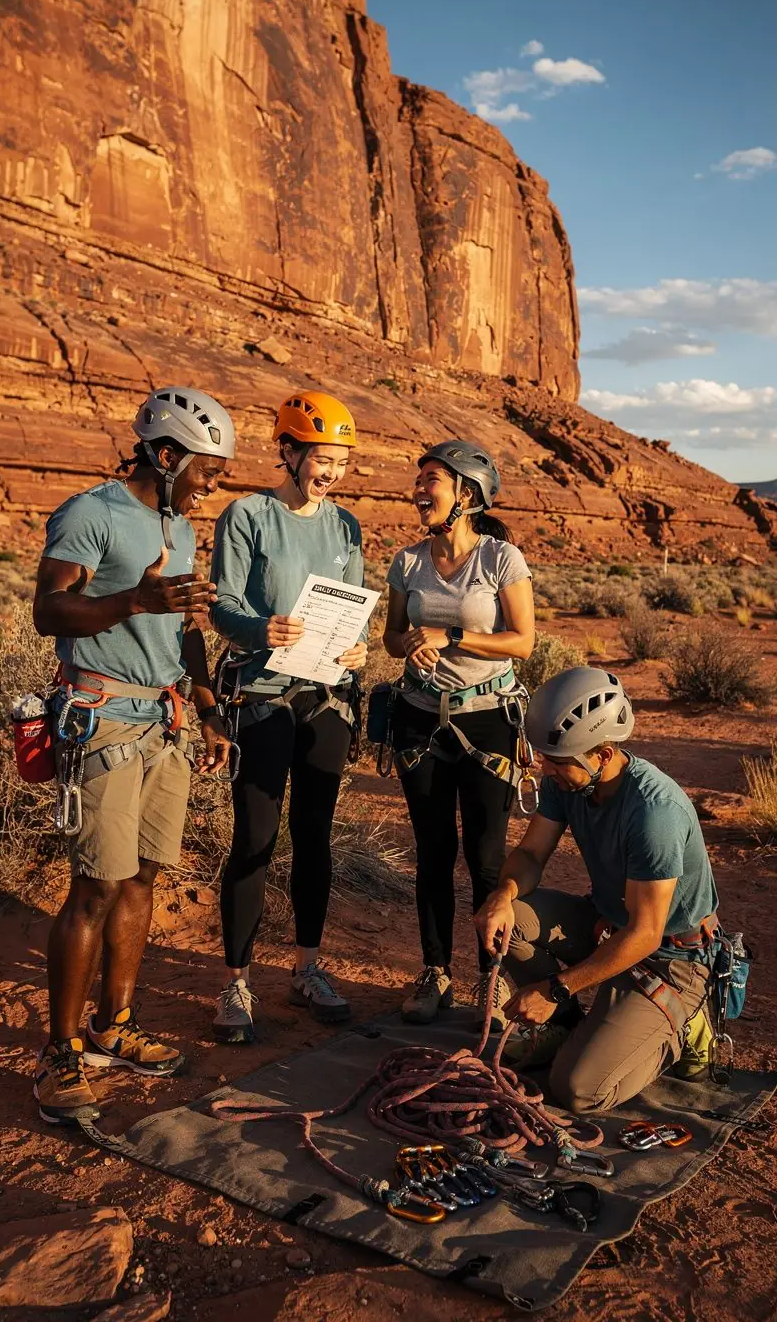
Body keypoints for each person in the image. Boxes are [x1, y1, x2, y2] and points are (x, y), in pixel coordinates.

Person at [31, 386, 236, 1124]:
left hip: (166, 719)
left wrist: (208, 709)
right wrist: (129, 604)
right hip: (104, 718)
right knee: (94, 885)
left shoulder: (177, 525)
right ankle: (60, 1055)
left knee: (144, 878)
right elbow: (47, 609)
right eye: (209, 465)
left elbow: (183, 630)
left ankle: (114, 1026)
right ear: (169, 452)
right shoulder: (91, 513)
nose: (216, 479)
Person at [473, 666, 720, 1114]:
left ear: (603, 755)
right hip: (608, 927)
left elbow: (645, 934)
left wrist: (554, 988)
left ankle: (686, 1026)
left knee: (578, 1090)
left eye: (557, 760)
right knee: (513, 921)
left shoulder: (653, 813)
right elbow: (530, 856)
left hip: (670, 961)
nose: (545, 769)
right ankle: (568, 1027)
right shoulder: (569, 782)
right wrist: (502, 895)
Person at [210, 389, 367, 1043]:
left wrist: (358, 649)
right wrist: (260, 628)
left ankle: (307, 968)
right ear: (289, 451)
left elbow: (354, 604)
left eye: (340, 461)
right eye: (320, 459)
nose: (330, 472)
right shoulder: (245, 516)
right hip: (263, 696)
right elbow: (220, 607)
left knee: (314, 837)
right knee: (254, 839)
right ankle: (236, 983)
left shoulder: (346, 526)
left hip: (325, 699)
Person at [382, 441, 535, 1029]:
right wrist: (411, 645)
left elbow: (522, 642)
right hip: (421, 717)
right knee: (433, 852)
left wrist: (450, 639)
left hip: (488, 719)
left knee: (486, 856)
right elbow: (393, 638)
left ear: (465, 494)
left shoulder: (501, 559)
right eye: (417, 479)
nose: (419, 489)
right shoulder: (408, 562)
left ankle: (489, 978)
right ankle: (435, 971)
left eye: (431, 481)